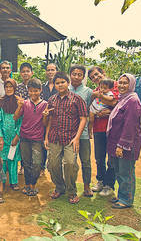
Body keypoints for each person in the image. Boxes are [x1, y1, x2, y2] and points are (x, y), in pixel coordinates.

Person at [45, 72, 87, 204]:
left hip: (70, 138)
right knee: (53, 164)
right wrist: (46, 137)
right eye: (57, 83)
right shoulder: (52, 100)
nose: (60, 85)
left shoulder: (76, 99)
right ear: (55, 85)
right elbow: (50, 120)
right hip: (54, 137)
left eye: (62, 82)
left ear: (67, 83)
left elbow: (83, 118)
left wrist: (77, 138)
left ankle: (71, 191)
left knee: (70, 163)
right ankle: (59, 187)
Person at [107, 73, 141, 209]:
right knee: (119, 170)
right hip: (116, 141)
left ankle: (126, 199)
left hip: (126, 144)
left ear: (131, 85)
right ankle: (121, 195)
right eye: (120, 83)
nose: (121, 85)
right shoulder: (124, 99)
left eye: (125, 83)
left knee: (126, 172)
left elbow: (130, 125)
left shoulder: (133, 101)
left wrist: (122, 145)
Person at [14, 78, 50, 196]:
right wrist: (19, 106)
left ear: (40, 90)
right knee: (26, 162)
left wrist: (45, 116)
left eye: (35, 91)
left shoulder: (45, 104)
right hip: (24, 137)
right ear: (27, 91)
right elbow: (15, 117)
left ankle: (33, 184)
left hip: (37, 139)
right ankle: (28, 185)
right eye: (30, 91)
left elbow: (45, 124)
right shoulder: (25, 103)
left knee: (37, 163)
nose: (33, 93)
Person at [88, 66, 119, 196]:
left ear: (103, 73)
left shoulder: (115, 85)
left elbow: (116, 102)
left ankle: (109, 185)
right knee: (99, 157)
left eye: (97, 74)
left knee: (112, 157)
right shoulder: (95, 91)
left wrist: (110, 111)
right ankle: (100, 181)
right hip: (98, 128)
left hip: (113, 128)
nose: (96, 78)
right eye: (92, 77)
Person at [69, 65, 94, 197]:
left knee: (85, 161)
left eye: (80, 74)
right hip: (69, 133)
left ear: (83, 77)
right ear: (70, 75)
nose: (77, 77)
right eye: (74, 74)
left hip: (83, 133)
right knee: (70, 162)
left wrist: (89, 129)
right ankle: (71, 186)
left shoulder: (88, 92)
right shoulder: (65, 89)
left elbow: (89, 109)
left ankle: (86, 186)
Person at [0, 79, 22, 191]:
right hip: (2, 137)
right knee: (2, 159)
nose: (9, 89)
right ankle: (1, 180)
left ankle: (14, 182)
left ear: (15, 88)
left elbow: (21, 121)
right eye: (7, 87)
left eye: (11, 87)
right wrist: (0, 138)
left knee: (13, 158)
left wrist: (17, 136)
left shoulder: (19, 102)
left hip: (14, 136)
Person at [40, 63, 59, 175]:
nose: (50, 72)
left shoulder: (60, 86)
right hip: (44, 118)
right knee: (43, 143)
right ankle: (42, 167)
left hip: (58, 120)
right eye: (48, 70)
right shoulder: (43, 87)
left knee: (55, 144)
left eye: (52, 70)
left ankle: (54, 168)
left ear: (56, 71)